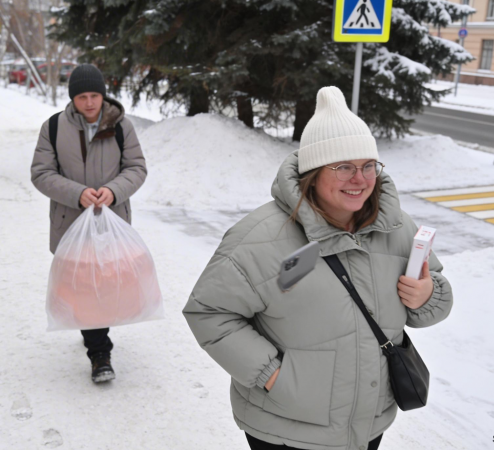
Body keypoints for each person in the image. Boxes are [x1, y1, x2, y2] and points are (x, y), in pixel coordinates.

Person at [183, 86, 453, 450]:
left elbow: (435, 294)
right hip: (288, 428)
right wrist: (272, 375)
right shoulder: (260, 237)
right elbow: (208, 311)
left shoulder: (396, 226)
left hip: (368, 424)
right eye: (343, 167)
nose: (359, 179)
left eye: (368, 166)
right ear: (313, 172)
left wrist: (428, 295)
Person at [30, 64, 148, 383]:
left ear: (103, 95)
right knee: (83, 286)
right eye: (82, 96)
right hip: (71, 222)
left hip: (111, 223)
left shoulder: (121, 126)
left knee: (105, 284)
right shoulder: (54, 127)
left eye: (95, 95)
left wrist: (113, 190)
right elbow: (41, 173)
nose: (90, 102)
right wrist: (77, 193)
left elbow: (136, 168)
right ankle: (100, 353)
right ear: (73, 99)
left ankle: (95, 339)